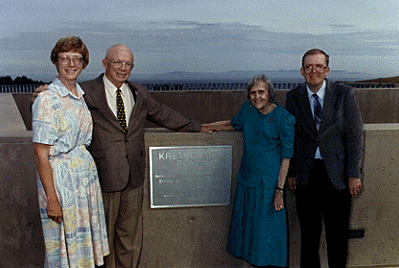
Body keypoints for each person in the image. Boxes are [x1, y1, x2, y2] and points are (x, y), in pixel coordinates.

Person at [34, 43, 211, 268]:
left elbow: (164, 115)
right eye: (117, 62)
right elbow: (59, 101)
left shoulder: (139, 93)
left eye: (128, 64)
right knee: (101, 241)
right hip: (101, 181)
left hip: (134, 179)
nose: (122, 68)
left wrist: (199, 127)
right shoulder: (85, 91)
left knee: (129, 240)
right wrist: (40, 94)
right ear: (105, 63)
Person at [32, 36, 109, 267]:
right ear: (56, 62)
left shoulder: (79, 96)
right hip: (62, 185)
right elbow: (40, 154)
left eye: (77, 59)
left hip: (84, 185)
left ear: (84, 63)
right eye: (64, 58)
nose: (71, 64)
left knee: (83, 251)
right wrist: (52, 200)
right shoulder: (46, 98)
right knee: (65, 253)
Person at [204, 75, 295, 267]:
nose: (256, 97)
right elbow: (233, 124)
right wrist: (208, 127)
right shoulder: (247, 110)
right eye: (252, 93)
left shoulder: (283, 118)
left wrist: (279, 191)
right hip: (247, 178)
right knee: (248, 228)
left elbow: (287, 157)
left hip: (268, 183)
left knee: (266, 230)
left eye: (261, 92)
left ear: (269, 93)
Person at [285, 48, 363, 267]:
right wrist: (291, 173)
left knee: (337, 237)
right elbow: (290, 138)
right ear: (302, 71)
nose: (314, 71)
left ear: (327, 70)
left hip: (337, 176)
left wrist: (353, 174)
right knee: (309, 239)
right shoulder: (293, 97)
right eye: (309, 67)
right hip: (306, 176)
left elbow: (355, 136)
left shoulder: (344, 94)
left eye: (319, 66)